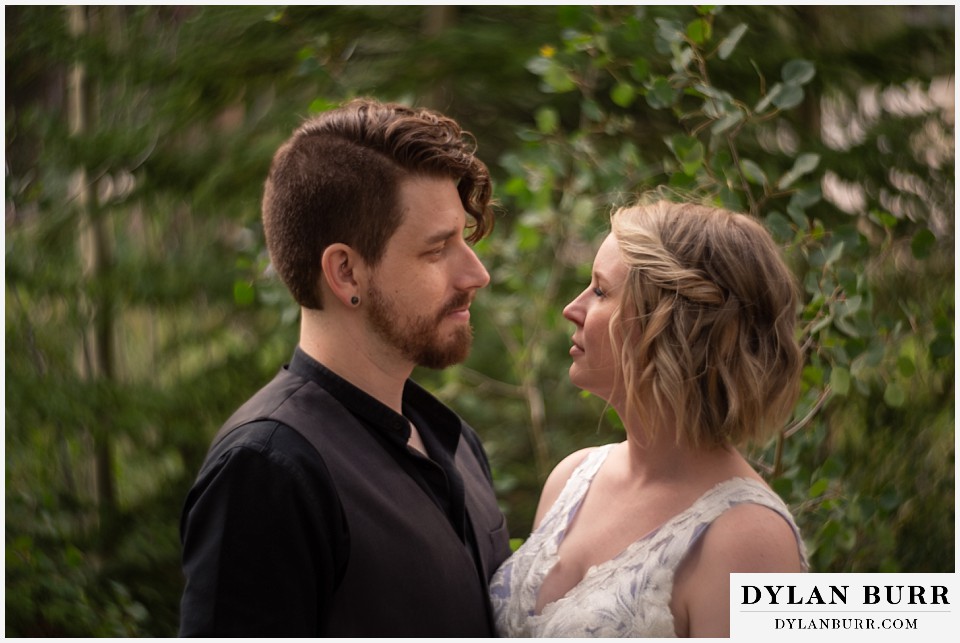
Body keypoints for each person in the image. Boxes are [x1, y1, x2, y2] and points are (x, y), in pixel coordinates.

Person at [179, 98, 511, 637]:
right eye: (437, 249)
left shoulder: (456, 442)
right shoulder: (268, 471)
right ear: (346, 273)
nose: (477, 273)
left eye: (465, 241)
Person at [490, 198, 808, 637]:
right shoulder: (572, 478)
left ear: (672, 325)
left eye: (600, 291)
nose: (573, 308)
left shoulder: (749, 539)